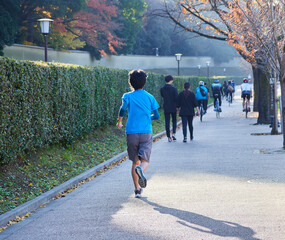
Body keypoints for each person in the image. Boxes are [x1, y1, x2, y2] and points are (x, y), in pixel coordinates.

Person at [116, 69, 160, 198]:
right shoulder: (149, 96)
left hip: (131, 132)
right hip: (146, 132)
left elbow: (123, 108)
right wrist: (148, 118)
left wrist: (119, 121)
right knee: (144, 161)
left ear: (131, 82)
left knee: (134, 162)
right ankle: (141, 170)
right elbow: (156, 116)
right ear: (144, 82)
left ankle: (137, 190)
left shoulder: (127, 96)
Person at [160, 75, 178, 142]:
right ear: (171, 80)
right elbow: (176, 98)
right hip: (173, 106)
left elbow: (162, 95)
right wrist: (178, 106)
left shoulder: (162, 89)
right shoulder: (174, 89)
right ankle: (173, 133)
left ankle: (168, 137)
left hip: (166, 106)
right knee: (174, 120)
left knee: (167, 122)